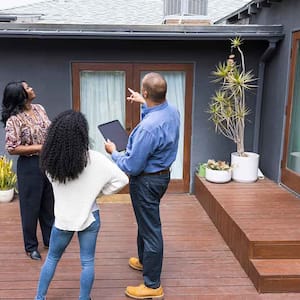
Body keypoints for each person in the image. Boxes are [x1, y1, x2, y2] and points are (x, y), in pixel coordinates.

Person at [35, 110, 129, 300]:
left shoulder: (51, 163)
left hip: (63, 220)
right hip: (90, 217)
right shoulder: (95, 159)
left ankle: (39, 297)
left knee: (52, 258)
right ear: (82, 133)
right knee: (88, 262)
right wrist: (98, 193)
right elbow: (122, 180)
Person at [105, 72, 180, 300]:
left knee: (151, 229)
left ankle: (152, 285)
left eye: (143, 93)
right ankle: (144, 260)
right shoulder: (172, 111)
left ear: (147, 92)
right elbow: (157, 112)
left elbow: (132, 166)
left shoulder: (147, 128)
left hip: (146, 181)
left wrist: (113, 153)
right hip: (162, 177)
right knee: (145, 221)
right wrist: (143, 102)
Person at [1, 81, 54, 260]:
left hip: (47, 162)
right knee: (30, 208)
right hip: (29, 166)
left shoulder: (40, 108)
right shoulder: (14, 119)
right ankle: (31, 246)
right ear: (21, 95)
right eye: (27, 87)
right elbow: (12, 148)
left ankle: (50, 240)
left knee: (49, 203)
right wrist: (40, 147)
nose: (32, 88)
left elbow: (50, 130)